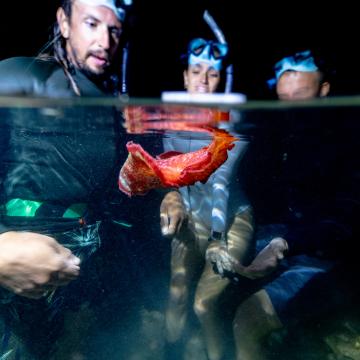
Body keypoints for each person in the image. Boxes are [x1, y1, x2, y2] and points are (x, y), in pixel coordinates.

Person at [0, 0, 128, 358]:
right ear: (64, 22)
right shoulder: (16, 78)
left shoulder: (108, 102)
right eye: (91, 22)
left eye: (114, 28)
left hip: (80, 274)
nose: (105, 40)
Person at [213, 49, 360, 360]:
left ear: (324, 91)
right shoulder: (279, 135)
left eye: (301, 98)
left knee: (247, 321)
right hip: (289, 240)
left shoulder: (350, 138)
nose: (291, 110)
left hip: (333, 261)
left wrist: (283, 244)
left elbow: (347, 221)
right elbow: (251, 195)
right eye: (284, 99)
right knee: (216, 275)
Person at [160, 38, 255, 360]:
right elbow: (172, 172)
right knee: (176, 292)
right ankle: (171, 353)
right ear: (185, 77)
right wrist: (171, 197)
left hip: (231, 220)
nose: (202, 79)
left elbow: (221, 184)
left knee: (204, 304)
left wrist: (217, 239)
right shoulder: (168, 120)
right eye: (196, 71)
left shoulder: (230, 127)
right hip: (193, 215)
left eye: (211, 74)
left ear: (221, 82)